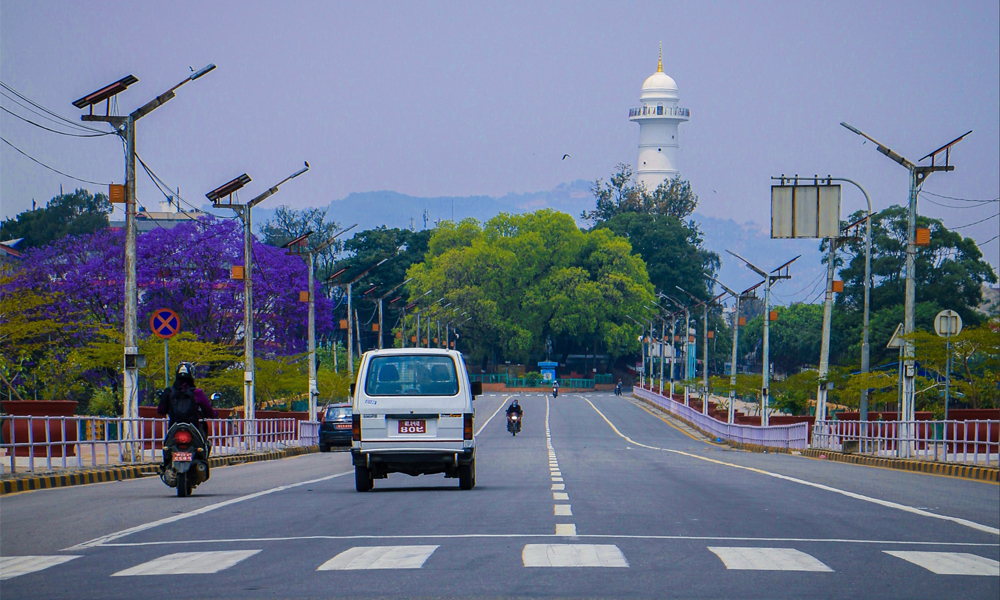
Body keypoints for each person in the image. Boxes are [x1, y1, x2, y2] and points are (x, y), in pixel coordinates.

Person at [158, 363, 218, 466]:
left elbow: (161, 411)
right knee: (203, 445)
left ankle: (167, 466)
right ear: (193, 375)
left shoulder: (169, 392)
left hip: (174, 427)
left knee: (167, 448)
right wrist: (214, 414)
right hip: (193, 427)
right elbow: (209, 411)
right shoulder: (197, 392)